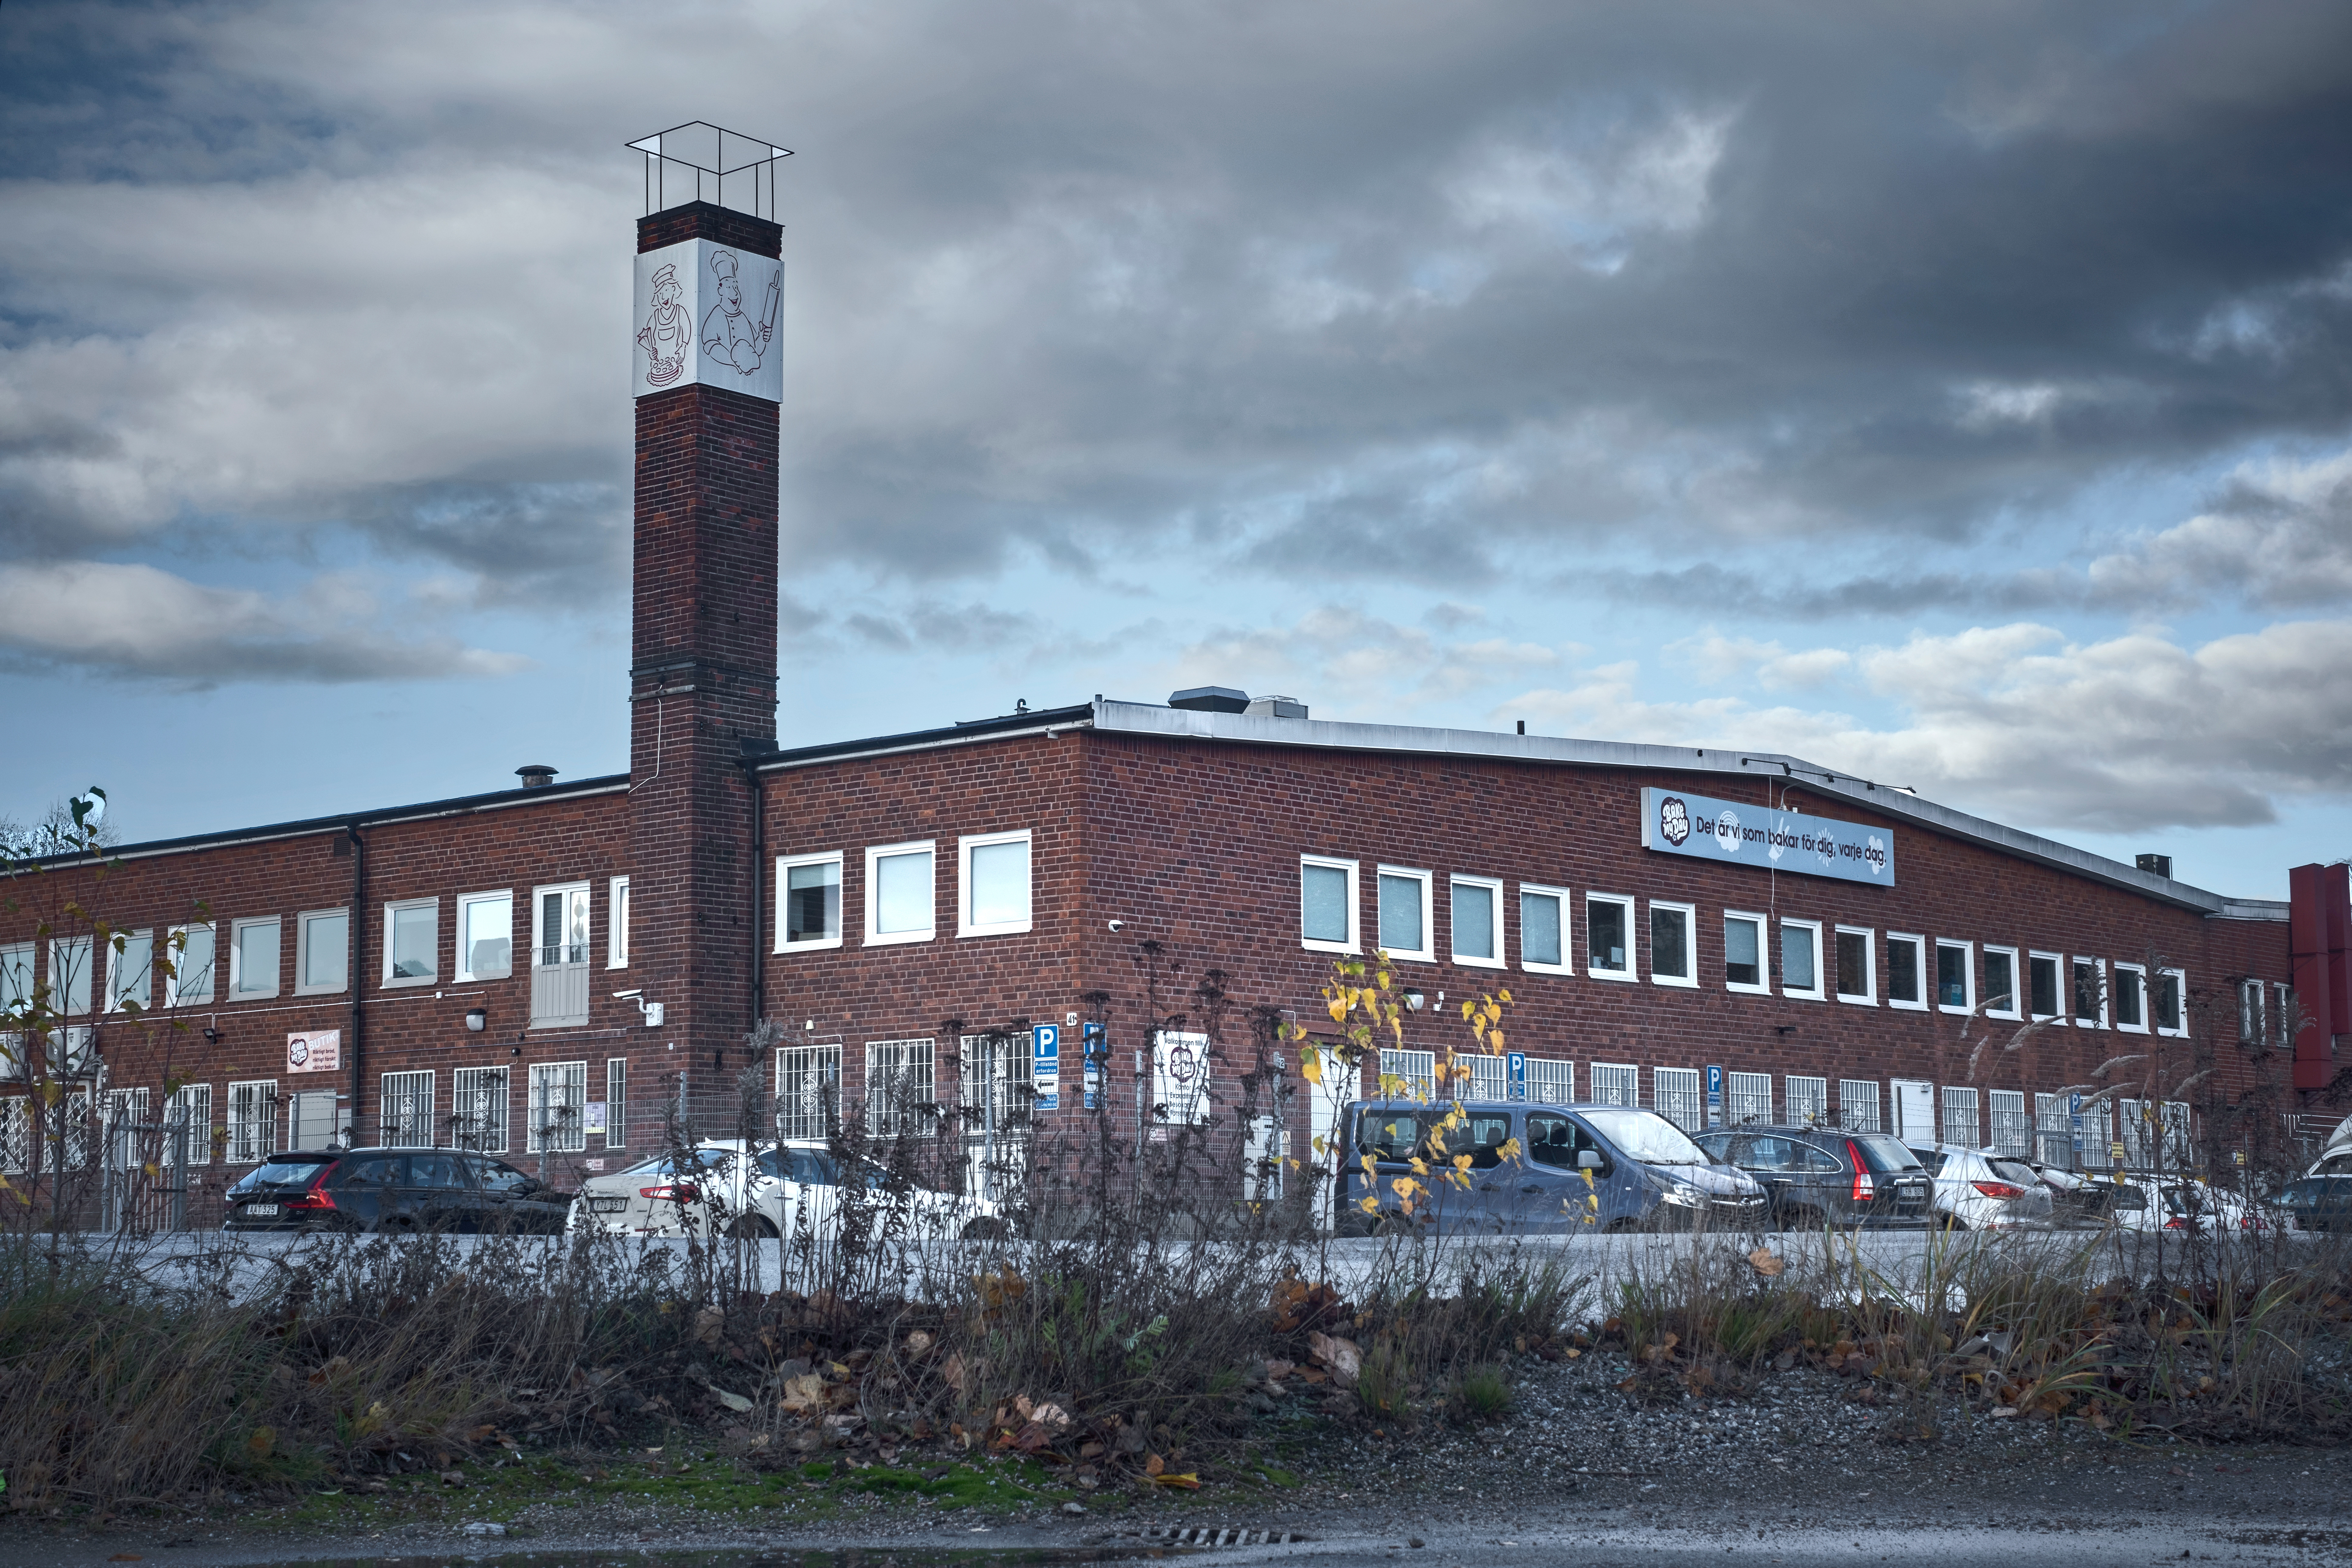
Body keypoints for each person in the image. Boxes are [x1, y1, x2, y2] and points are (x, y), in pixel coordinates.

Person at [701, 248, 777, 375]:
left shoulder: (743, 318)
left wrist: (763, 337)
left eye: (736, 287)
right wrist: (734, 362)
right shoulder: (717, 315)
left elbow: (756, 350)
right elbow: (710, 345)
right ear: (720, 291)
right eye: (729, 288)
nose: (735, 293)